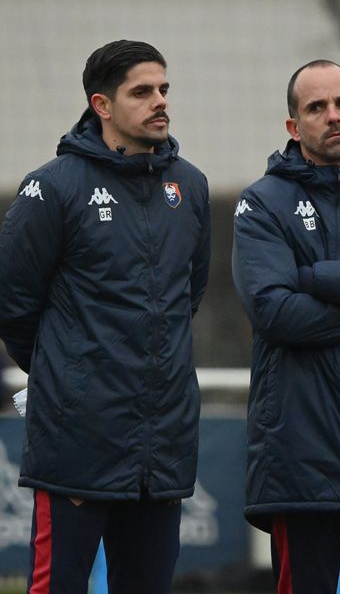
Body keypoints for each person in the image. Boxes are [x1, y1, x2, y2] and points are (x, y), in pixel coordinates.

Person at [0, 40, 210, 594]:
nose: (159, 101)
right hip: (77, 442)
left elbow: (188, 295)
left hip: (161, 446)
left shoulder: (190, 186)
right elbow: (14, 304)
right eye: (142, 92)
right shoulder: (53, 187)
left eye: (163, 89)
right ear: (102, 105)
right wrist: (70, 375)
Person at [232, 59, 340, 593]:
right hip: (299, 456)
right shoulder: (262, 203)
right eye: (317, 107)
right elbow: (276, 314)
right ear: (293, 126)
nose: (333, 116)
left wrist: (321, 276)